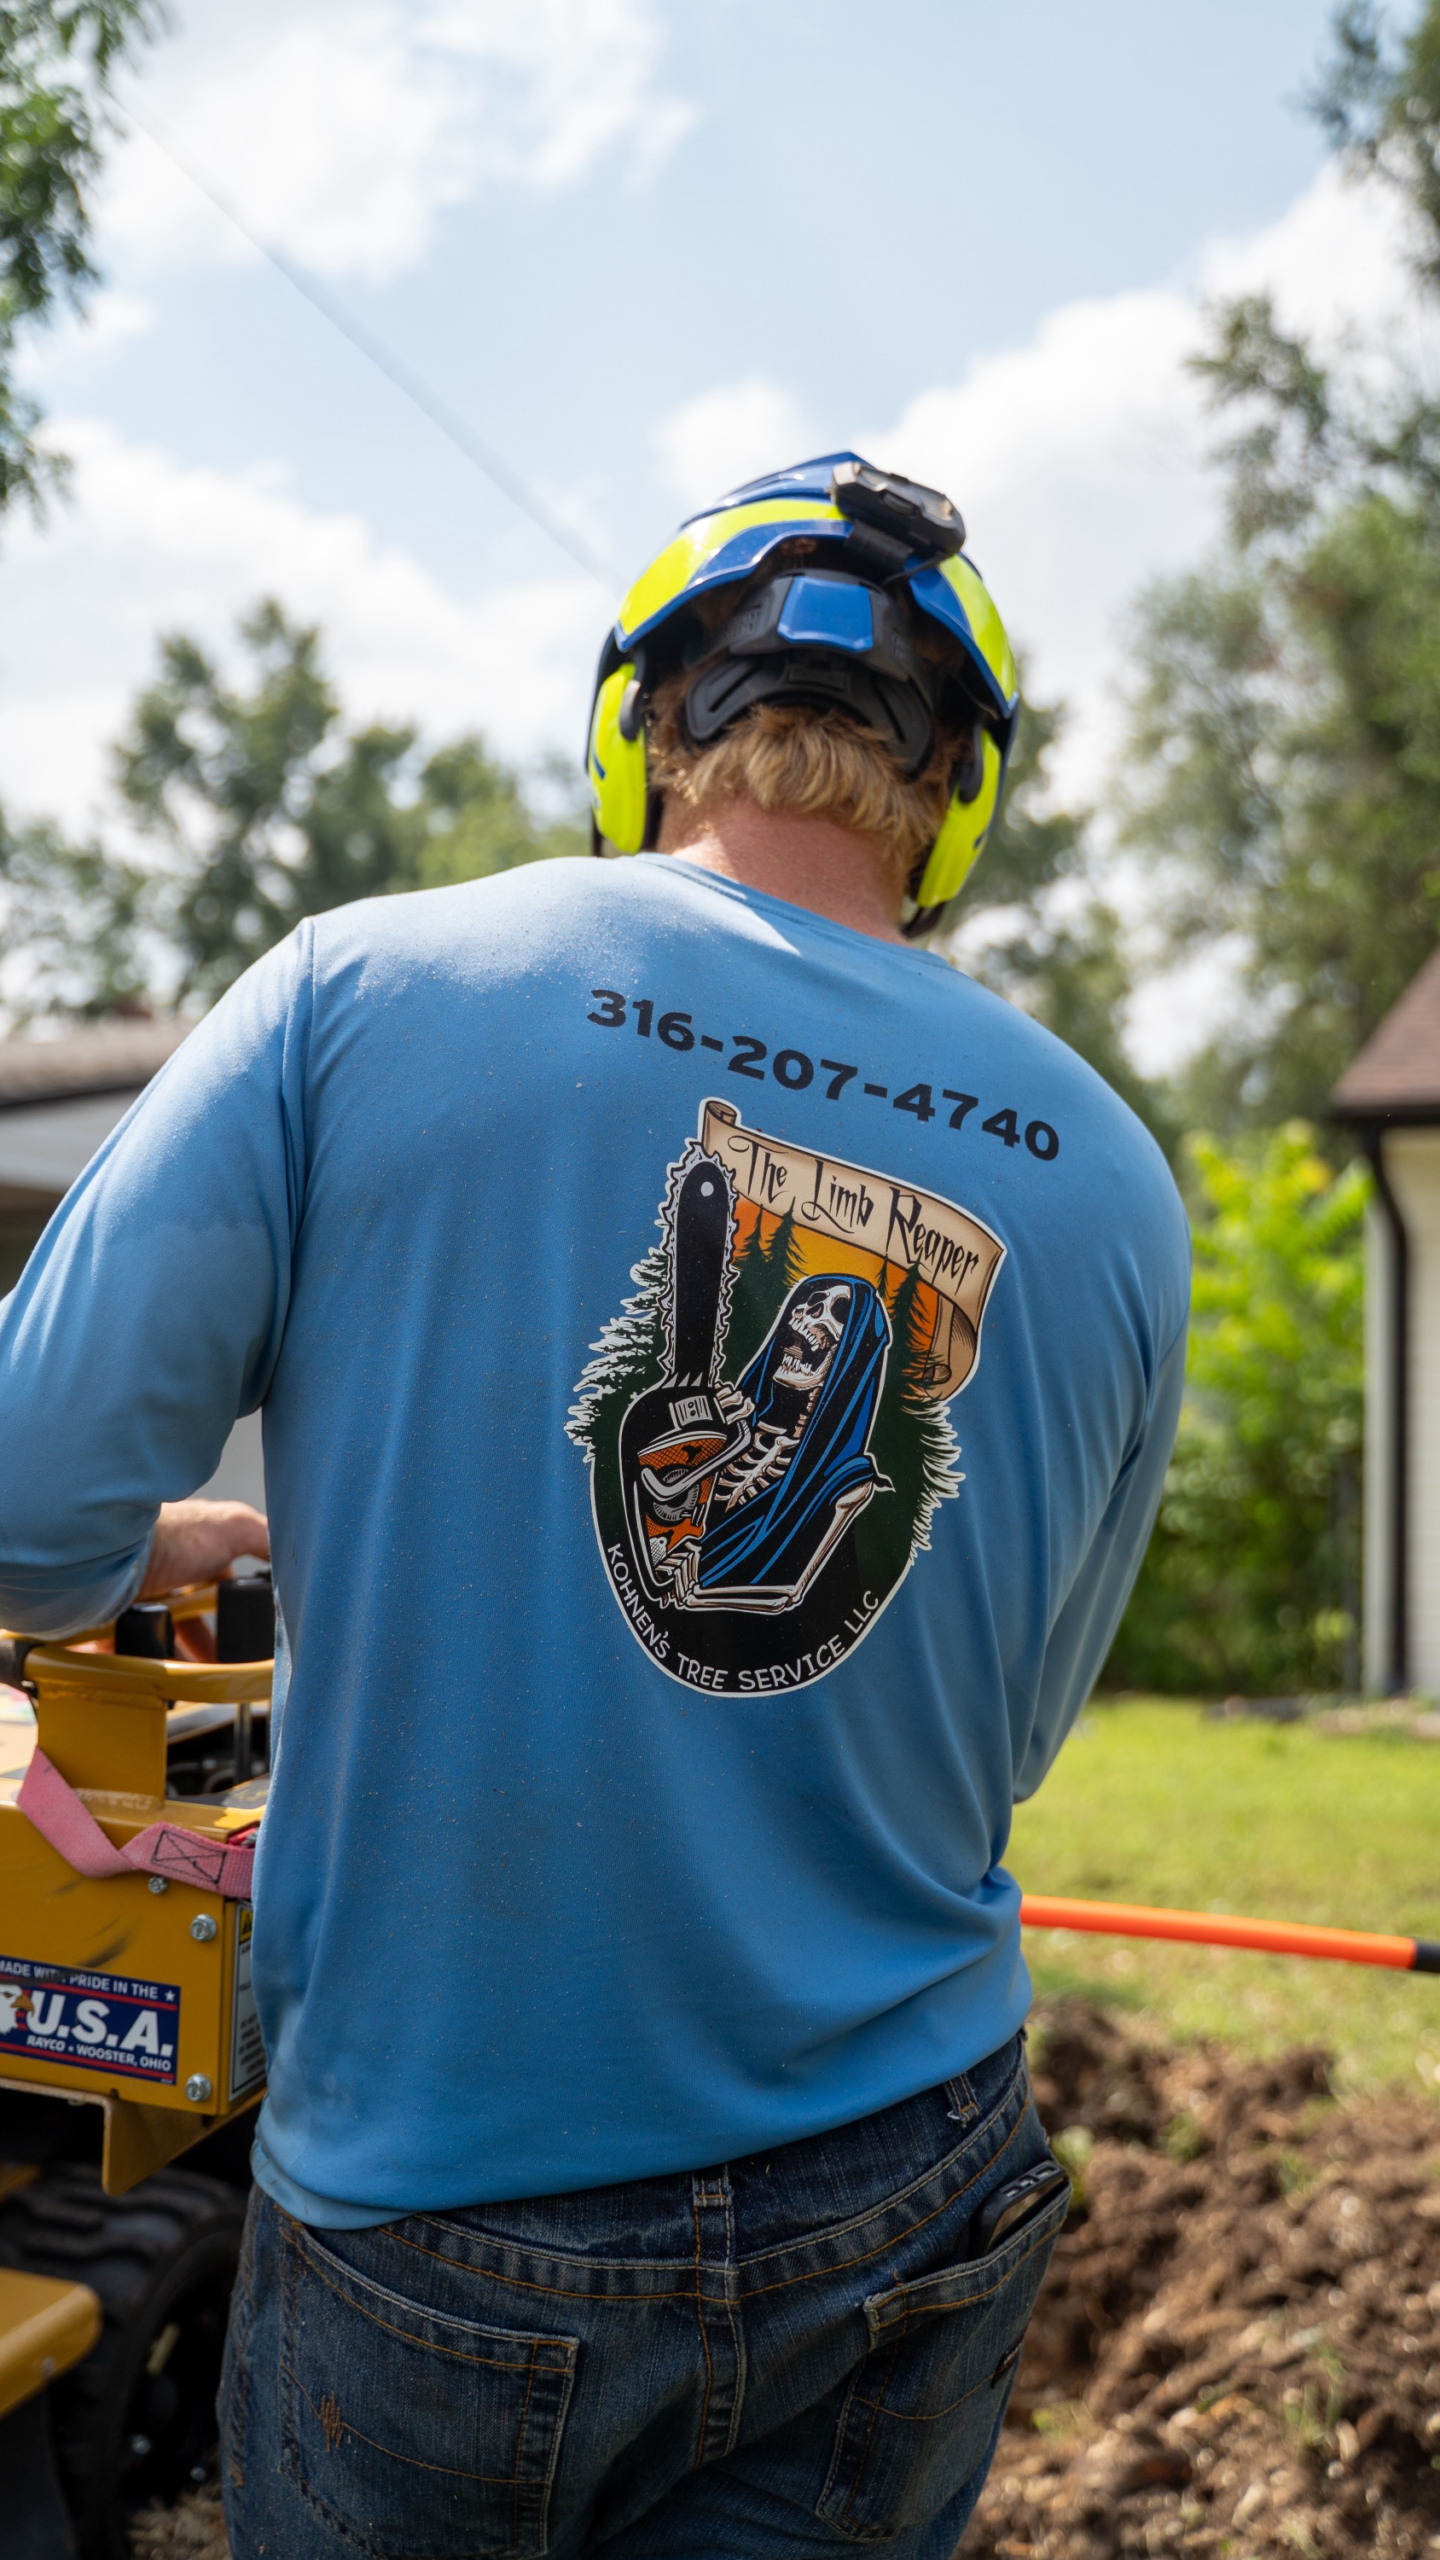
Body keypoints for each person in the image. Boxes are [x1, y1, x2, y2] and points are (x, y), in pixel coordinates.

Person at [0, 454, 1189, 2558]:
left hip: (449, 2199)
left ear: (642, 724)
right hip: (909, 2176)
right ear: (962, 796)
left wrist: (120, 1547)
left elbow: (22, 1506)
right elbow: (1006, 1739)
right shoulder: (1107, 1175)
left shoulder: (354, 993)